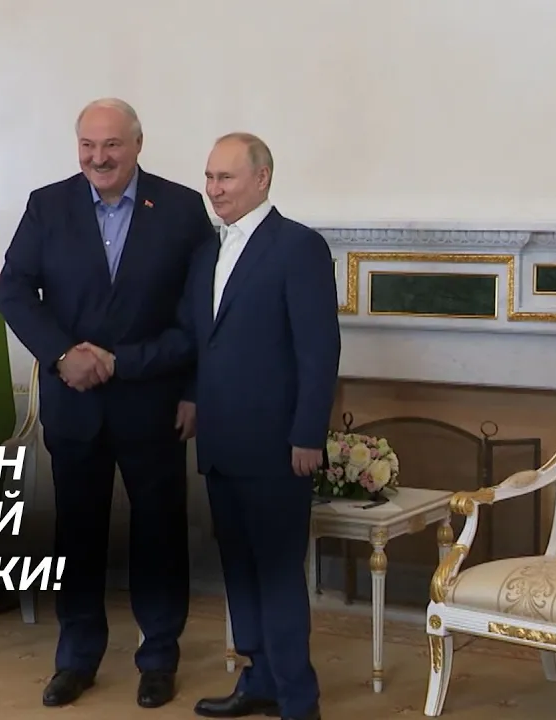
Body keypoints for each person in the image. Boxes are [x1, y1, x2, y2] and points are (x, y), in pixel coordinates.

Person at [0, 98, 214, 709]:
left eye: (112, 144)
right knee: (77, 537)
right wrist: (62, 354)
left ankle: (159, 656)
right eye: (88, 145)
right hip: (75, 405)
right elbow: (13, 290)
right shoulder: (48, 205)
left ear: (137, 144)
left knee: (160, 535)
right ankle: (77, 658)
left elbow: (199, 315)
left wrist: (192, 391)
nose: (99, 157)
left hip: (155, 402)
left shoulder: (181, 209)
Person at [189, 133, 340, 720]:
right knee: (240, 571)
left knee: (277, 575)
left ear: (261, 179)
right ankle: (259, 680)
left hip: (279, 447)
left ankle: (299, 699)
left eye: (225, 177)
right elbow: (202, 341)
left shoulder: (298, 247)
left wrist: (308, 434)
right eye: (209, 177)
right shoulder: (207, 251)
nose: (214, 189)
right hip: (221, 443)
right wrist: (189, 400)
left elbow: (318, 350)